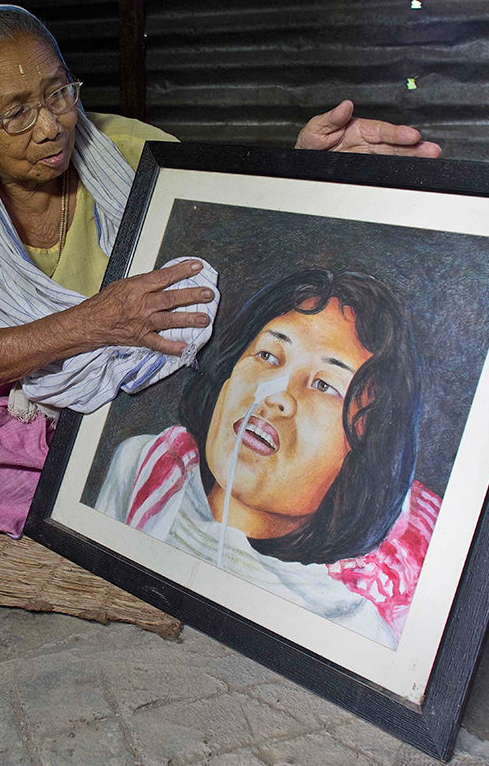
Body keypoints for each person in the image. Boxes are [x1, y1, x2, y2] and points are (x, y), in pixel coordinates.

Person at [0, 4, 441, 543]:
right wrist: (97, 322)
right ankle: (91, 504)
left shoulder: (129, 151)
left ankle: (94, 498)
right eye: (16, 112)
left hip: (145, 388)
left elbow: (230, 226)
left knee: (184, 427)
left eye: (59, 92)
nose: (51, 126)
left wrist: (304, 170)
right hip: (36, 398)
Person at [94, 270, 441, 645]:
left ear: (363, 447)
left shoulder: (352, 630)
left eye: (324, 385)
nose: (275, 393)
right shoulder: (144, 470)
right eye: (268, 355)